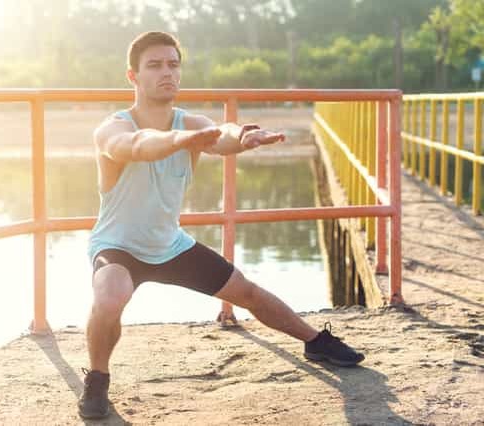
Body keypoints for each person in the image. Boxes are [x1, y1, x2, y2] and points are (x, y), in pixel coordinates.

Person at [79, 31, 365, 420]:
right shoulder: (113, 127)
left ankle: (316, 342)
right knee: (112, 295)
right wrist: (184, 139)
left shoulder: (192, 123)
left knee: (245, 290)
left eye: (174, 64)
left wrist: (245, 136)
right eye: (155, 65)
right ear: (133, 76)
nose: (167, 72)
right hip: (118, 246)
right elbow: (137, 146)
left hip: (170, 245)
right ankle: (97, 379)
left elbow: (222, 134)